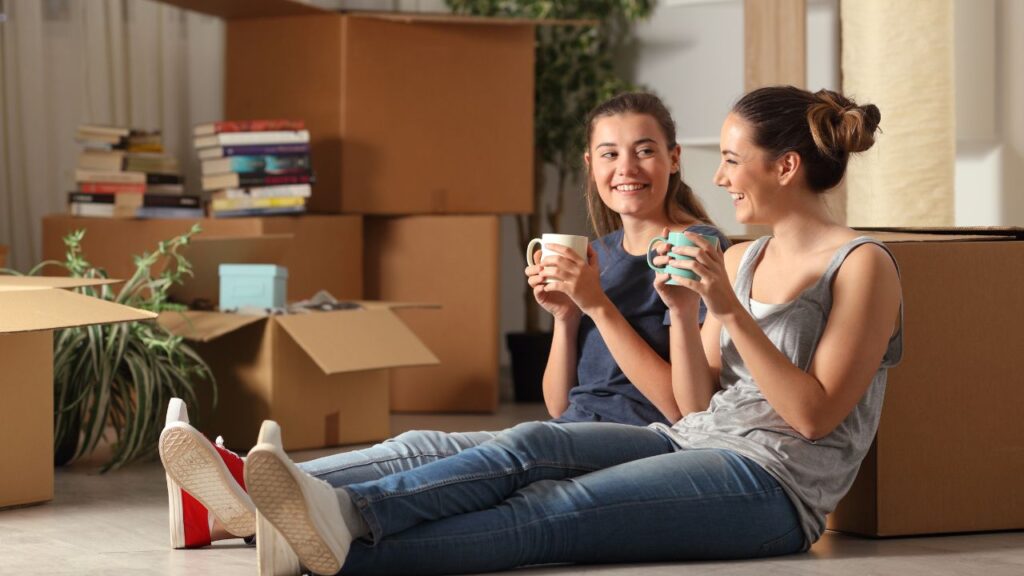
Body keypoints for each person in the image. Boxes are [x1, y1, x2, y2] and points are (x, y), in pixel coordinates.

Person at [239, 85, 902, 576]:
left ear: (784, 167)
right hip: (688, 440)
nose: (720, 177)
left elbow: (814, 418)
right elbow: (695, 407)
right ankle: (329, 512)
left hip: (774, 488)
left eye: (733, 160)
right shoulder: (743, 257)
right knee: (529, 443)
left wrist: (726, 311)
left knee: (552, 513)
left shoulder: (862, 266)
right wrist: (679, 308)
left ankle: (336, 544)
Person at [157, 93, 729, 568]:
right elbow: (562, 405)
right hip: (579, 431)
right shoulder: (598, 253)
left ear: (674, 159)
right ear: (590, 164)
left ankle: (333, 510)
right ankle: (228, 493)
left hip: (648, 443)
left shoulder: (696, 248)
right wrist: (565, 317)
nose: (626, 169)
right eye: (610, 153)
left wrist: (598, 306)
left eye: (645, 151)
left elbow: (685, 413)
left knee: (522, 444)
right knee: (423, 444)